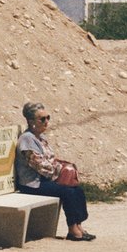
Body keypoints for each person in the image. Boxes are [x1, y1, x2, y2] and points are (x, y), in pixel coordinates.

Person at [15, 101, 93, 241]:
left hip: (44, 179)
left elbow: (50, 159)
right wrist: (60, 170)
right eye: (42, 119)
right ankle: (72, 229)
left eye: (48, 118)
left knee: (77, 190)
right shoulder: (27, 140)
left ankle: (78, 225)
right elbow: (39, 165)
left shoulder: (41, 138)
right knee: (67, 192)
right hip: (32, 183)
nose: (46, 122)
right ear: (31, 121)